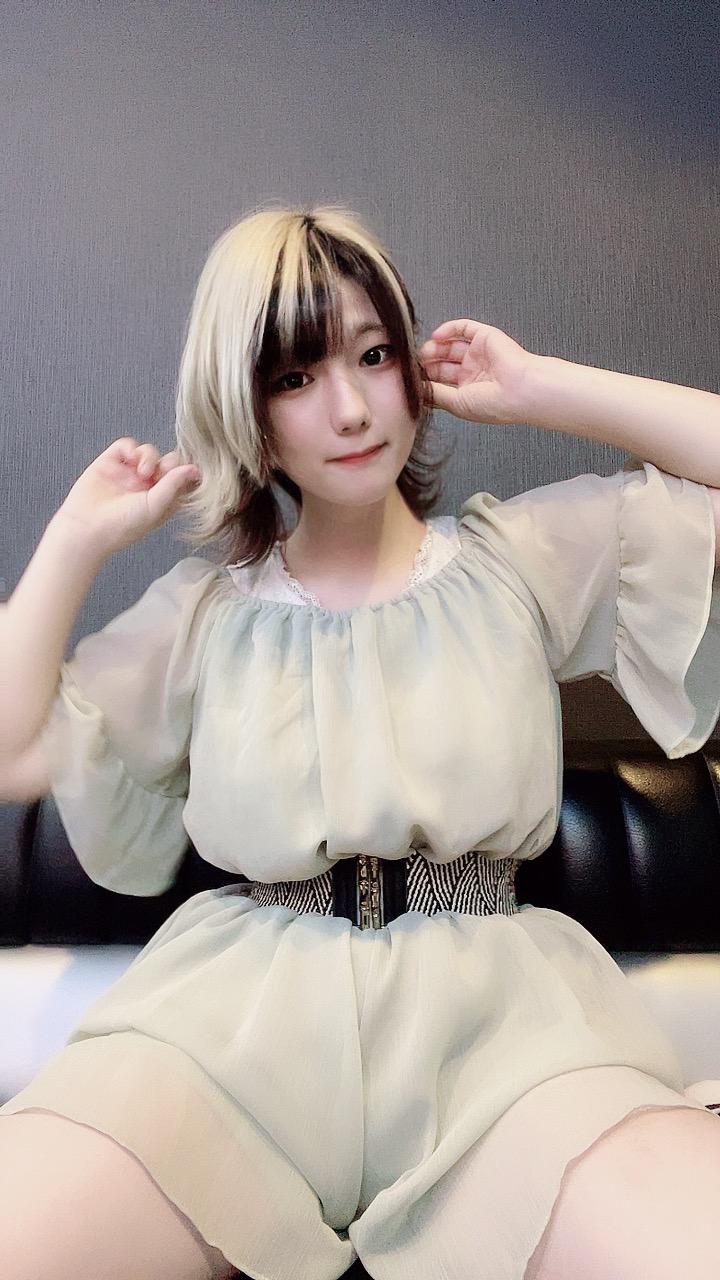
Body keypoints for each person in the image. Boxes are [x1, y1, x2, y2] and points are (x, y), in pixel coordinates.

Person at [1, 203, 720, 1280]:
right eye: (295, 376)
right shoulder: (204, 612)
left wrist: (542, 387)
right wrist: (74, 539)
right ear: (247, 408)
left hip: (499, 1039)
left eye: (375, 355)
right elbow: (13, 752)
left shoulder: (518, 559)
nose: (350, 407)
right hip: (232, 1036)